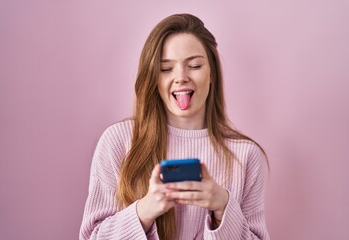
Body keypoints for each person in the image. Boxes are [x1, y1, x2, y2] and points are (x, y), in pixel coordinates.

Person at [79, 13, 270, 240]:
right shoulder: (118, 142)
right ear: (153, 78)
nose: (181, 77)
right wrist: (145, 210)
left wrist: (223, 208)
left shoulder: (247, 156)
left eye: (195, 65)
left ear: (212, 74)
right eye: (166, 68)